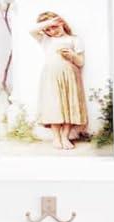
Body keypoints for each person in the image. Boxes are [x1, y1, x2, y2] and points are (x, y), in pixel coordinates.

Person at [33, 10, 89, 149]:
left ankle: (65, 137)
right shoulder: (46, 40)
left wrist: (72, 55)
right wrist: (49, 22)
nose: (52, 31)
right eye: (48, 29)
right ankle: (56, 138)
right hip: (51, 77)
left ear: (62, 23)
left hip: (70, 76)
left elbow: (81, 62)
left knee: (70, 105)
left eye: (55, 27)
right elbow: (31, 30)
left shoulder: (74, 39)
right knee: (54, 106)